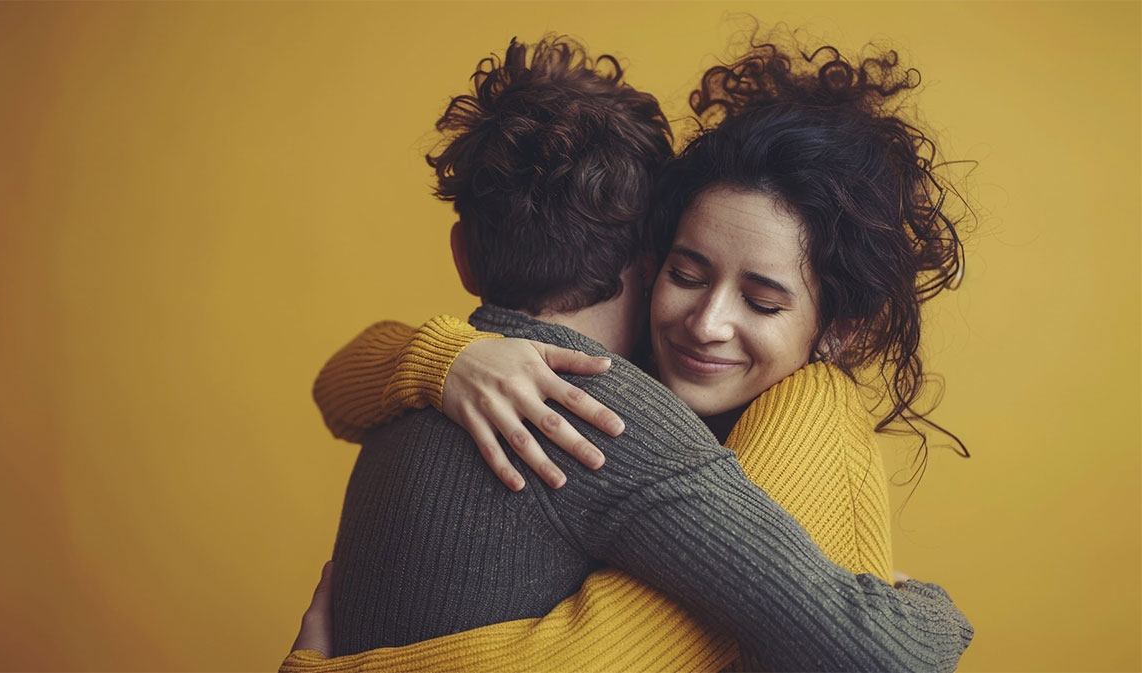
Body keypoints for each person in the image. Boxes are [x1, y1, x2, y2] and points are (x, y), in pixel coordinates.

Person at [283, 35, 973, 673]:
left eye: (762, 302)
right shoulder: (563, 392)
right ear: (649, 261)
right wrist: (444, 358)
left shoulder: (804, 409)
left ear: (841, 328)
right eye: (688, 273)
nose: (707, 323)